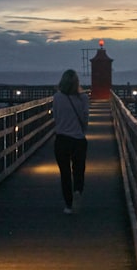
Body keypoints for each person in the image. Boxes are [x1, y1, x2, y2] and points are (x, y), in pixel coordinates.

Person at [52, 69, 89, 214]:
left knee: (65, 173)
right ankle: (78, 190)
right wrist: (81, 130)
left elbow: (55, 116)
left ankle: (68, 205)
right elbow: (85, 118)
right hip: (78, 139)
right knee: (79, 170)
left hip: (61, 139)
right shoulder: (83, 98)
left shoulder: (57, 97)